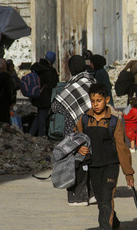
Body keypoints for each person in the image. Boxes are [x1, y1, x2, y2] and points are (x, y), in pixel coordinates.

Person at [75, 83, 134, 230]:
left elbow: (122, 148)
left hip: (111, 166)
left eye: (99, 100)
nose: (95, 104)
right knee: (101, 201)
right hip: (93, 166)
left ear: (107, 99)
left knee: (107, 199)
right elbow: (75, 139)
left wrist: (128, 173)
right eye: (93, 101)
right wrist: (79, 148)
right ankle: (116, 224)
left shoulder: (114, 122)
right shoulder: (84, 120)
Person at [51, 55, 96, 206]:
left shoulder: (72, 86)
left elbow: (56, 106)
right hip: (92, 127)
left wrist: (71, 110)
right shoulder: (91, 81)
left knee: (75, 162)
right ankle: (90, 193)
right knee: (88, 160)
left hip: (74, 129)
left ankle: (77, 197)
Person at [28, 54, 59, 137]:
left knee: (40, 115)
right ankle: (40, 136)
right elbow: (54, 84)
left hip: (36, 95)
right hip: (45, 96)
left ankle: (31, 133)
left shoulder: (37, 67)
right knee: (42, 116)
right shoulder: (50, 70)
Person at [0, 59, 16, 126]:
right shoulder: (5, 76)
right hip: (3, 103)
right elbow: (9, 91)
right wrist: (11, 102)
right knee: (4, 122)